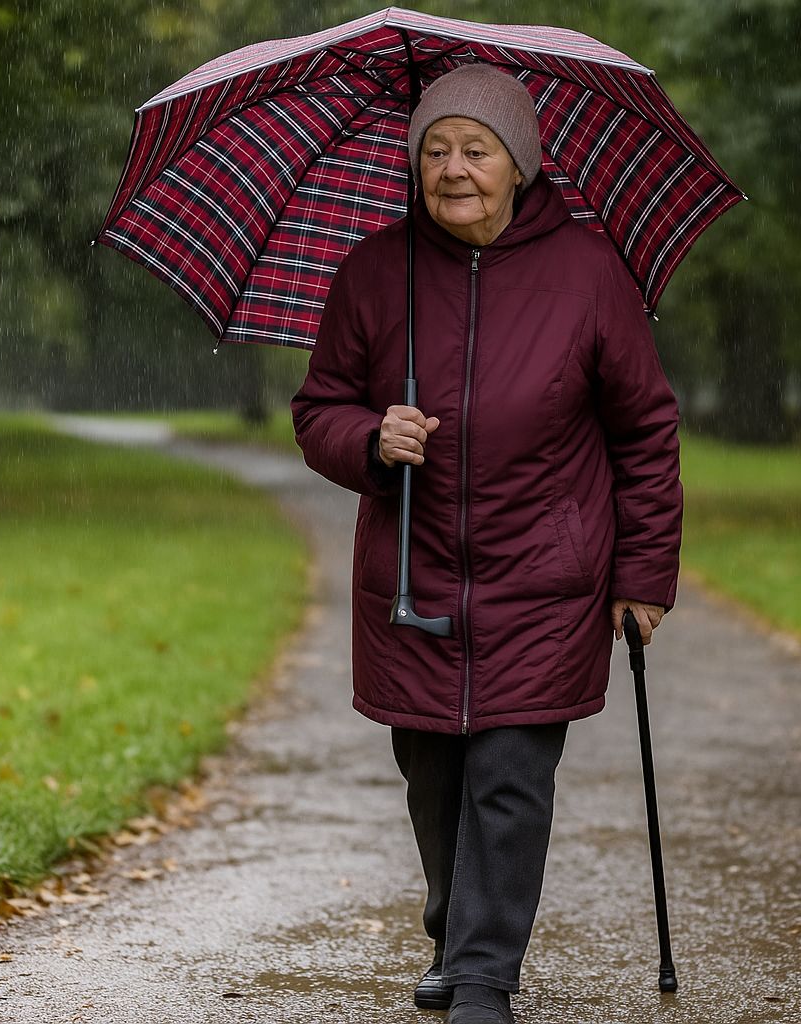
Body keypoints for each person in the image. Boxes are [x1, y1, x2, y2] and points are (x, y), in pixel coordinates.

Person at [291, 63, 682, 1024]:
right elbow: (316, 412)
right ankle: (454, 926)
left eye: (475, 148)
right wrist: (372, 440)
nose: (452, 169)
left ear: (521, 163)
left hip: (543, 579)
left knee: (510, 778)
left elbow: (645, 430)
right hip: (412, 581)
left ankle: (481, 979)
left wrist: (643, 574)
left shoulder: (587, 274)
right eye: (434, 150)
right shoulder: (375, 273)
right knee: (434, 777)